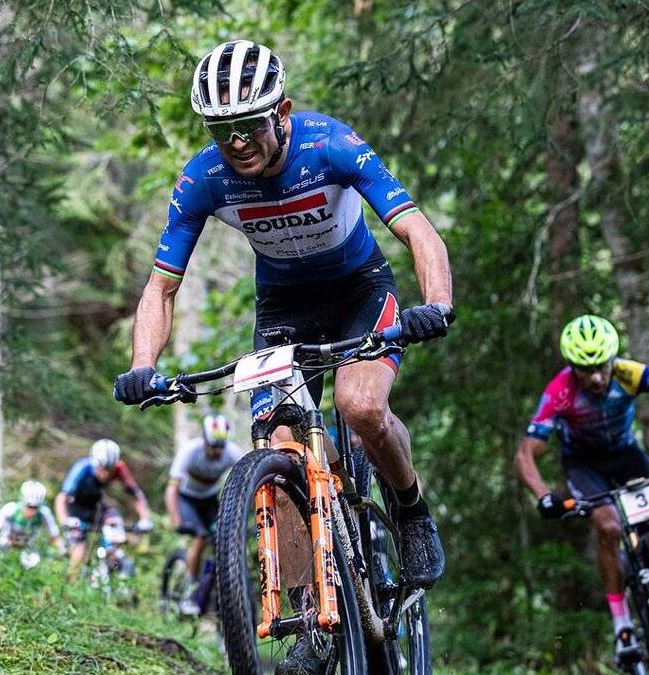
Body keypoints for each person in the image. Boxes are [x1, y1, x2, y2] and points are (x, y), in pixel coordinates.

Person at [114, 38, 453, 587]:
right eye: (222, 130)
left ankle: (411, 510)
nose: (238, 143)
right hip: (283, 307)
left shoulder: (330, 145)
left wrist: (436, 303)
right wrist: (142, 366)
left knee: (360, 405)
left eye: (250, 124)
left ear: (282, 112)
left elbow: (418, 230)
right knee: (281, 446)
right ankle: (311, 611)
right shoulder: (203, 178)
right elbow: (161, 288)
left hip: (359, 290)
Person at [513, 314, 649, 665]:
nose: (597, 377)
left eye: (602, 366)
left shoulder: (630, 374)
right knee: (609, 525)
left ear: (613, 359)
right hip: (584, 466)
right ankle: (623, 626)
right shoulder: (560, 392)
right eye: (586, 370)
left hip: (627, 456)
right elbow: (526, 453)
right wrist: (543, 496)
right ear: (572, 367)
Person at [165, 413, 245, 615]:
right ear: (205, 440)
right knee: (200, 537)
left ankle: (217, 591)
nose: (217, 451)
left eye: (221, 447)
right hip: (186, 499)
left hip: (209, 500)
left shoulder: (231, 452)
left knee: (226, 537)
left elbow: (248, 477)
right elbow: (171, 489)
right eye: (213, 446)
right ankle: (189, 592)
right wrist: (177, 520)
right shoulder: (190, 451)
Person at [55, 439, 154, 582]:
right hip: (75, 510)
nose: (106, 474)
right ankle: (70, 585)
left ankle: (111, 562)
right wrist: (65, 521)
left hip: (95, 508)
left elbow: (136, 494)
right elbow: (61, 498)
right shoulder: (82, 468)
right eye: (102, 469)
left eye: (110, 469)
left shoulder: (119, 468)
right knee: (80, 551)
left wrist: (145, 519)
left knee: (115, 521)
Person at [0, 480, 66, 557]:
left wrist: (63, 551)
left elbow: (54, 537)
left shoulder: (44, 513)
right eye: (29, 506)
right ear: (23, 501)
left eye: (36, 507)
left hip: (28, 552)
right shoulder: (10, 509)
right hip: (5, 550)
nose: (32, 510)